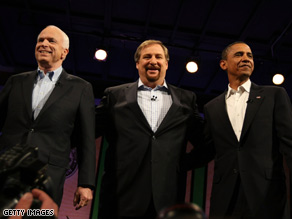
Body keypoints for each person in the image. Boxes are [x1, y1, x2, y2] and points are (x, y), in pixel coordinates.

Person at [95, 39, 204, 218]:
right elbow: (88, 133)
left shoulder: (186, 99)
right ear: (137, 63)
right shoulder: (114, 96)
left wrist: (181, 164)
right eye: (147, 57)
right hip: (120, 199)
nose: (153, 61)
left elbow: (205, 141)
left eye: (158, 57)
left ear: (166, 64)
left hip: (167, 201)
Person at [191, 41, 292, 218]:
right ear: (223, 64)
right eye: (239, 55)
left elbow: (289, 142)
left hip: (266, 194)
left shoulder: (274, 95)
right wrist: (170, 164)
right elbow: (206, 151)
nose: (246, 58)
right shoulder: (212, 107)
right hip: (226, 198)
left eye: (249, 55)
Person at [0, 25, 96, 209]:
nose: (43, 44)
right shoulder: (16, 81)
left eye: (51, 41)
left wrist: (85, 183)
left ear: (64, 52)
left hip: (49, 175)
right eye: (40, 40)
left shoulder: (81, 88)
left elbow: (86, 140)